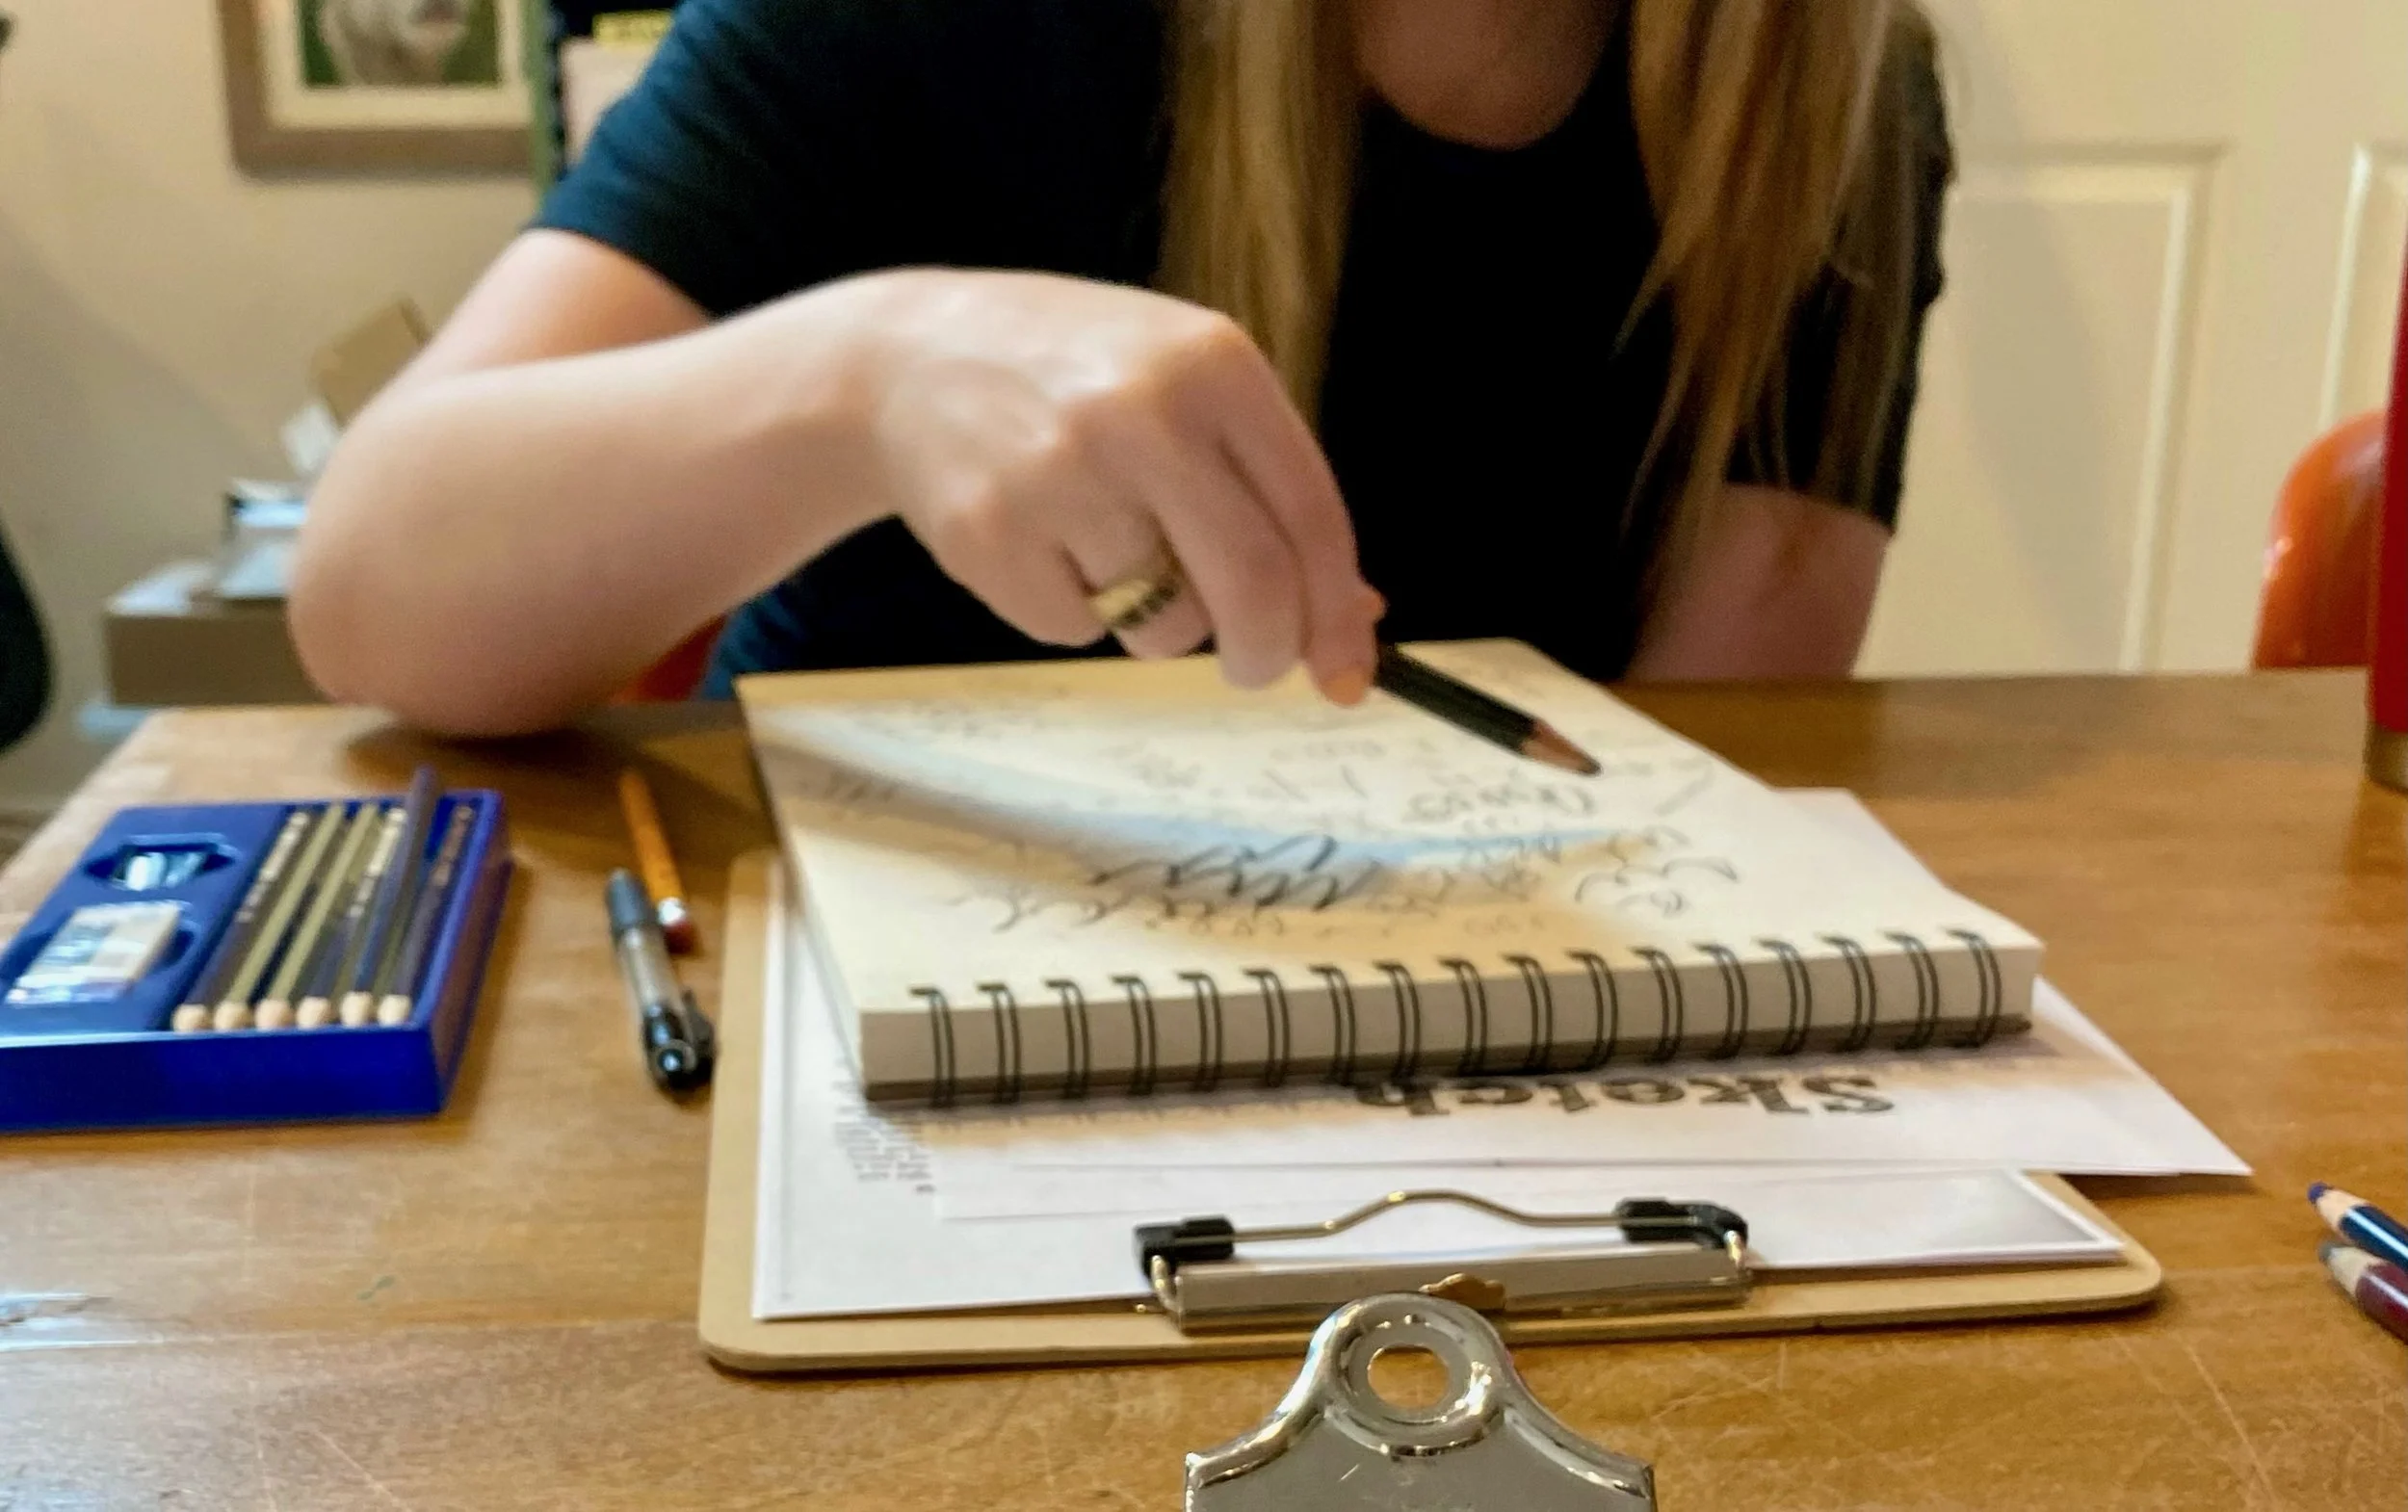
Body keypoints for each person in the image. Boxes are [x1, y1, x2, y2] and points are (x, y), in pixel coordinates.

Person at [291, 0, 1953, 737]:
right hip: (840, 1025)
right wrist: (868, 375)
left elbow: (1716, 764)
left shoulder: (1820, 105)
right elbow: (373, 589)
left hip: (1449, 1079)